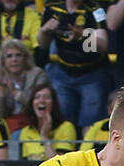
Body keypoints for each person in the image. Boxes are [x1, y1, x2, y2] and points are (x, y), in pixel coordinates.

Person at [37, 0, 111, 131]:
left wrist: (83, 35)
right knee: (64, 123)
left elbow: (103, 46)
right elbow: (43, 44)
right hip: (62, 73)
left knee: (90, 124)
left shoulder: (94, 9)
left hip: (92, 74)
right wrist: (44, 31)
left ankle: (87, 150)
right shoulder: (52, 7)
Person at [0, 36, 43, 131]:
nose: (14, 59)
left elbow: (40, 106)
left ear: (25, 58)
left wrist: (15, 92)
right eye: (9, 56)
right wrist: (1, 89)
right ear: (3, 60)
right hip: (9, 126)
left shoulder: (37, 75)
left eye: (18, 55)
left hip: (34, 123)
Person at [9, 79, 71, 159]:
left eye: (46, 97)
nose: (41, 101)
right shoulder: (26, 131)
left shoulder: (66, 128)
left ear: (53, 103)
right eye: (37, 97)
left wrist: (44, 137)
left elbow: (60, 165)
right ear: (32, 104)